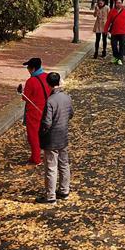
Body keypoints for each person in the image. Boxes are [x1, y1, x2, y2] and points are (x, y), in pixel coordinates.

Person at [37, 72, 73, 203]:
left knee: (51, 167)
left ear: (48, 84)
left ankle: (50, 195)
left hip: (51, 139)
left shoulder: (50, 101)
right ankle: (64, 190)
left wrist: (41, 133)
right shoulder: (67, 97)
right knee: (64, 164)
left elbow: (47, 122)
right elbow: (71, 114)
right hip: (63, 136)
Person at [19, 57, 51, 165]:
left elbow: (25, 97)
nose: (27, 69)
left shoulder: (31, 81)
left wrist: (21, 92)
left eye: (28, 67)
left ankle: (36, 158)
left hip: (34, 111)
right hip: (47, 109)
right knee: (45, 133)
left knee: (33, 135)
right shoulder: (47, 76)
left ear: (32, 69)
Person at [104, 0, 125, 65]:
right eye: (117, 3)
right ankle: (116, 57)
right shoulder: (112, 11)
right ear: (115, 4)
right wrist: (106, 30)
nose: (118, 4)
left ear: (122, 4)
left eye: (119, 3)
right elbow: (108, 21)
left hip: (123, 32)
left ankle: (120, 59)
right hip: (114, 32)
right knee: (114, 46)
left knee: (122, 46)